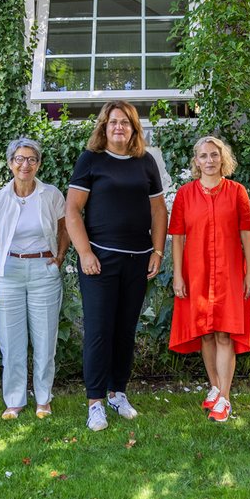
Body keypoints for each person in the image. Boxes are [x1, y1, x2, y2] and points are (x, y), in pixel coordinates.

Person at [66, 100, 167, 432]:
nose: (119, 127)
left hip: (138, 259)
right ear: (104, 127)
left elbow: (158, 210)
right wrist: (84, 253)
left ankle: (117, 393)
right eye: (113, 122)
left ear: (134, 128)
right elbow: (72, 211)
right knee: (99, 331)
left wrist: (157, 251)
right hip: (99, 260)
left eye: (125, 122)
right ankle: (95, 402)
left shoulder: (146, 162)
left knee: (125, 329)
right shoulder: (90, 160)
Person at [169, 136, 250, 423]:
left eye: (214, 155)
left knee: (224, 333)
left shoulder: (237, 192)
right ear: (196, 161)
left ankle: (225, 398)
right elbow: (177, 238)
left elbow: (246, 235)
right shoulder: (185, 194)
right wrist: (178, 275)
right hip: (196, 273)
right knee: (205, 333)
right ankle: (215, 387)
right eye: (203, 156)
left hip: (229, 272)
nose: (209, 160)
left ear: (222, 158)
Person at [0, 138, 69, 420]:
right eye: (19, 159)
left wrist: (59, 257)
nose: (25, 165)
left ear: (39, 164)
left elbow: (64, 228)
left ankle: (44, 399)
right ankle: (14, 401)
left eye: (32, 159)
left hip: (43, 271)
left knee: (45, 340)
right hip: (8, 273)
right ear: (10, 163)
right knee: (11, 342)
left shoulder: (51, 195)